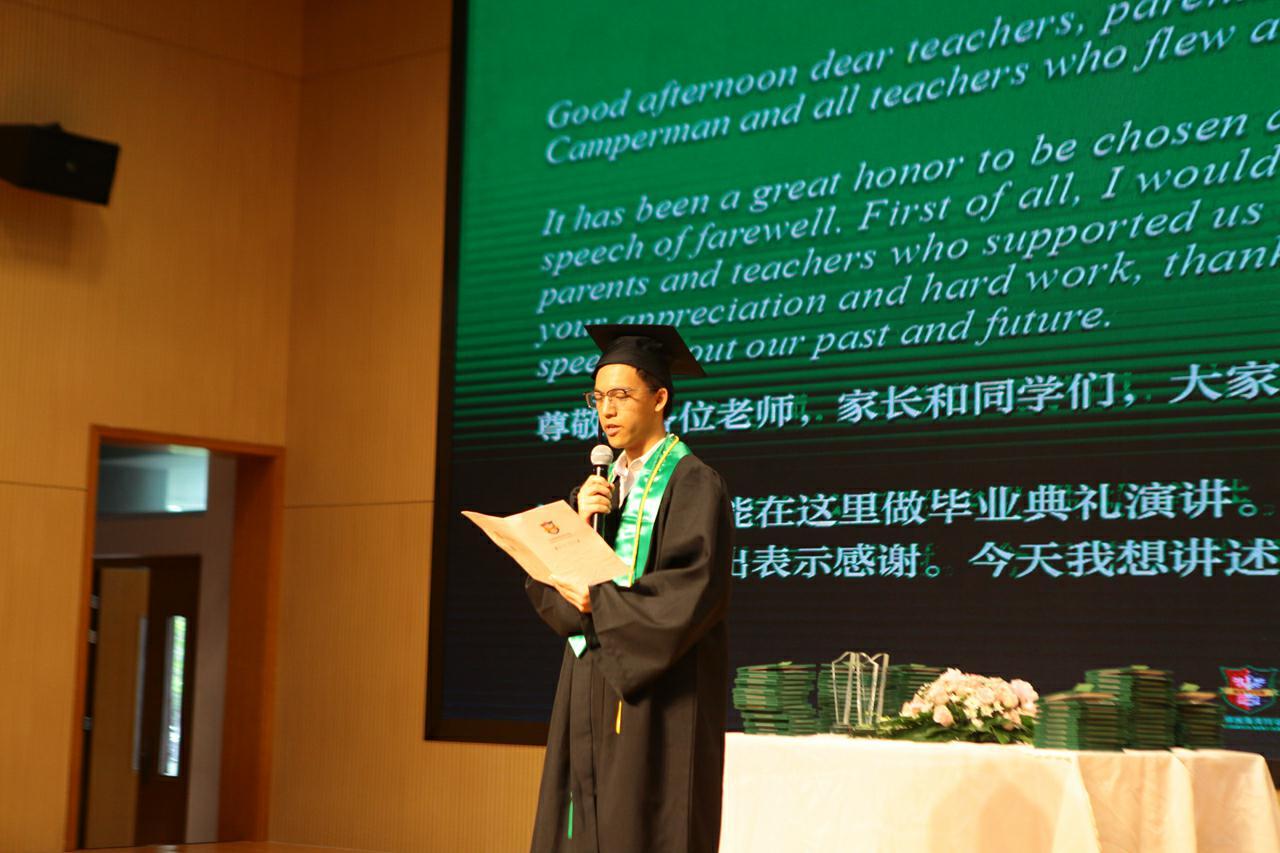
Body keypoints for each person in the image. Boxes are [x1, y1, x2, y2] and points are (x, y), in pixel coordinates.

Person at [526, 324, 732, 853]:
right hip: (588, 682)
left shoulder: (692, 482)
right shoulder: (598, 490)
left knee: (641, 827)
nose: (607, 411)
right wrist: (576, 525)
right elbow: (552, 586)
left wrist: (600, 602)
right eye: (598, 398)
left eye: (620, 395)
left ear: (659, 399)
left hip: (656, 696)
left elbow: (693, 589)